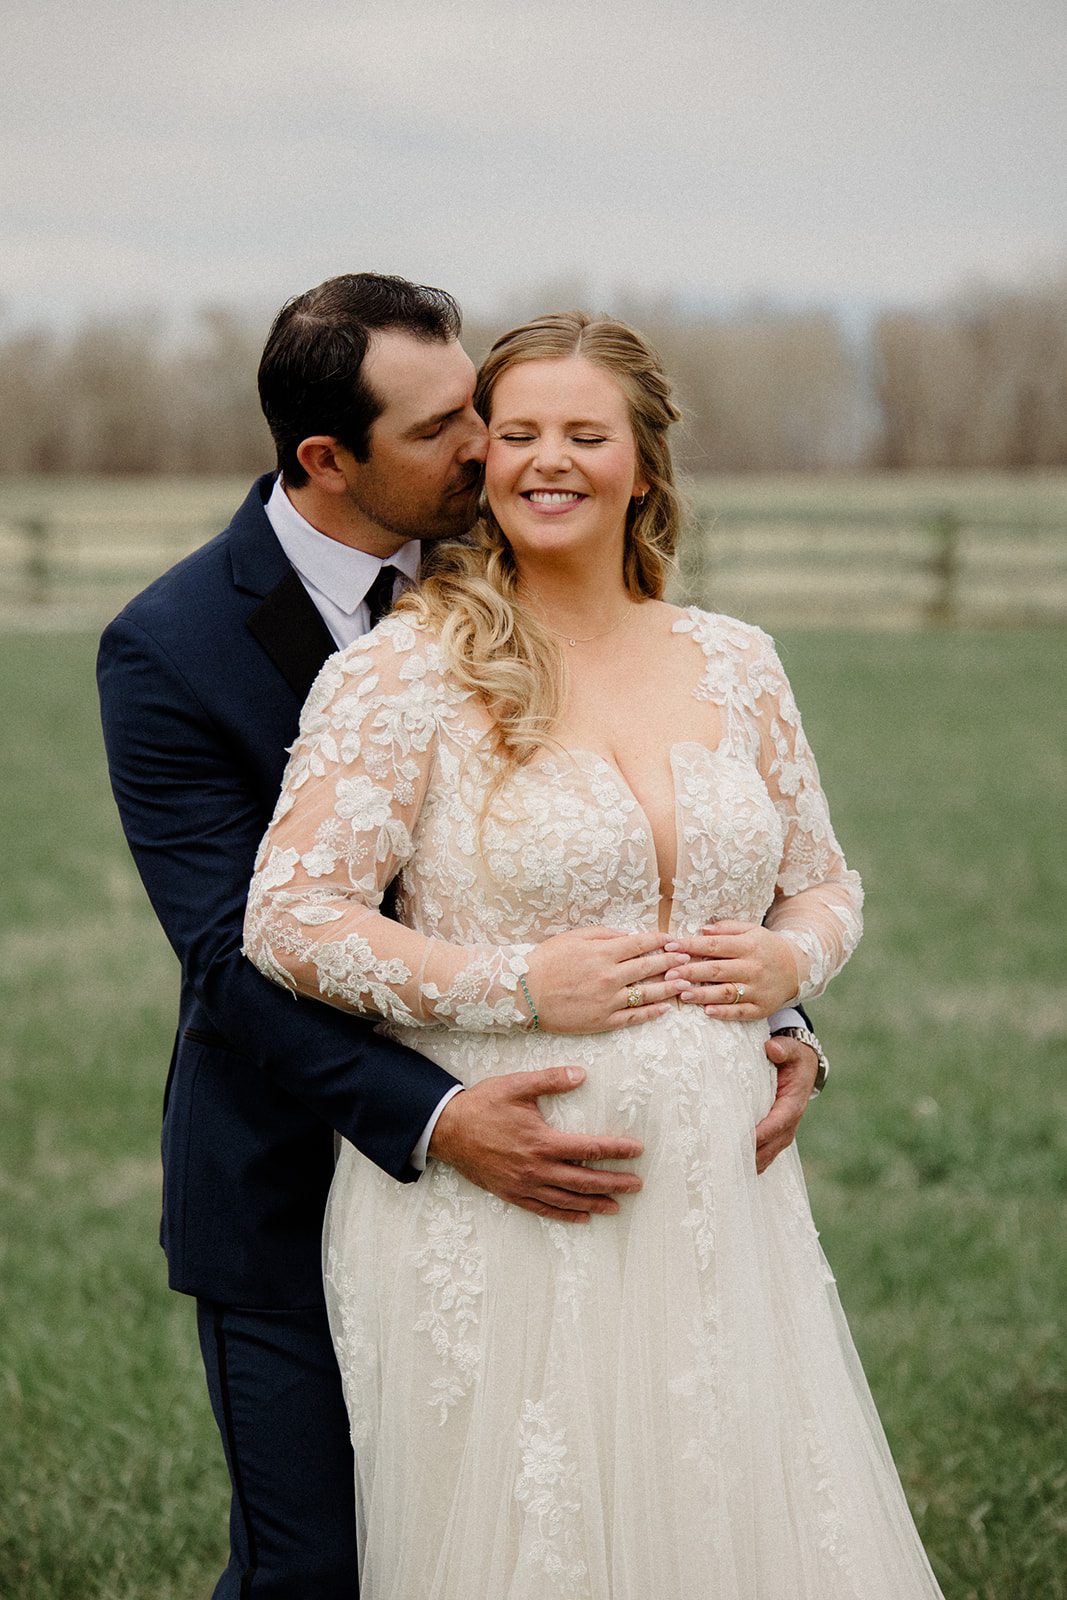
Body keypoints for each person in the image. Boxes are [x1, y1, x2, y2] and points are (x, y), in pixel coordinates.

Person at [97, 275, 822, 1598]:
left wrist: (771, 1013)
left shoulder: (539, 554)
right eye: (452, 429)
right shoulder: (173, 646)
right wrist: (440, 1115)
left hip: (619, 1165)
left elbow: (691, 851)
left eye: (483, 410)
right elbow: (234, 953)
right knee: (321, 1567)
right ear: (330, 458)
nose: (494, 446)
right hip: (298, 1159)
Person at [245, 310, 945, 1599]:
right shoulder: (406, 672)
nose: (544, 461)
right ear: (481, 465)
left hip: (716, 1200)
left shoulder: (737, 663)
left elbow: (825, 884)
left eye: (584, 433)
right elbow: (289, 916)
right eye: (514, 435)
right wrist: (515, 983)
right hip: (506, 1198)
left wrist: (793, 975)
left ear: (643, 462)